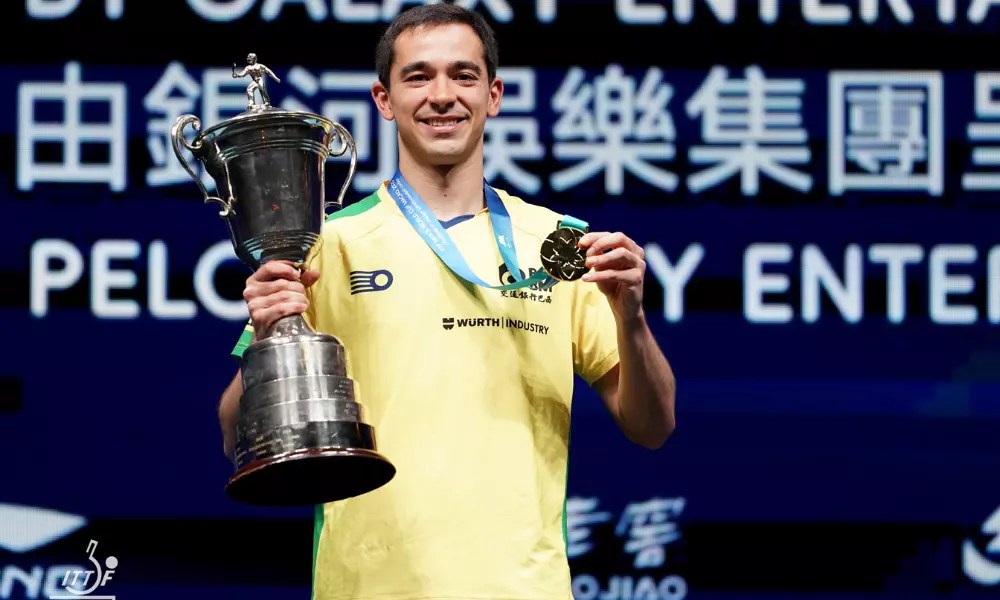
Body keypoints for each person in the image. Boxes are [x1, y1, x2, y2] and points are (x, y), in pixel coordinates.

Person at [217, 5, 676, 600]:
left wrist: (632, 318)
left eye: (463, 75)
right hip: (369, 588)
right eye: (418, 76)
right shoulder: (328, 244)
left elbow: (653, 426)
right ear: (384, 100)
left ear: (494, 94)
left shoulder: (560, 243)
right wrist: (268, 323)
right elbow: (234, 436)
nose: (442, 95)